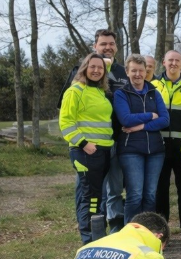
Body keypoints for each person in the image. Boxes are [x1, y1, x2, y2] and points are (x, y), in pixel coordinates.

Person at [62, 29, 129, 235]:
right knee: (89, 193)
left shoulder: (122, 74)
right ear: (95, 47)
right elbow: (66, 116)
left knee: (110, 191)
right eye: (103, 44)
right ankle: (87, 232)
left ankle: (107, 230)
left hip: (113, 142)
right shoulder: (78, 80)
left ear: (116, 46)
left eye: (111, 44)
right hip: (88, 148)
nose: (108, 47)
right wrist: (82, 143)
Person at [60, 53, 114, 244]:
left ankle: (96, 237)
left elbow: (106, 64)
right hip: (85, 152)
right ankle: (88, 239)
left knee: (97, 197)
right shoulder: (75, 91)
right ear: (84, 68)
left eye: (100, 68)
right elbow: (66, 122)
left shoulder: (100, 91)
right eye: (92, 67)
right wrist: (84, 144)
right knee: (90, 198)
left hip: (103, 151)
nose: (97, 70)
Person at [113, 54, 169, 224]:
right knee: (135, 194)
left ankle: (147, 230)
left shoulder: (154, 93)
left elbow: (165, 120)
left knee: (150, 195)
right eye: (133, 71)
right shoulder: (121, 94)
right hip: (131, 150)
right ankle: (131, 232)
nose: (137, 74)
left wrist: (141, 126)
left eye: (141, 70)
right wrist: (150, 115)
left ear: (146, 72)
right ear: (127, 72)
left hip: (156, 151)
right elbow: (126, 119)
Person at [152, 50, 181, 241]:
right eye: (170, 60)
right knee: (161, 189)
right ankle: (161, 230)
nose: (173, 63)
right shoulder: (153, 85)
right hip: (159, 146)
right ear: (164, 62)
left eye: (177, 60)